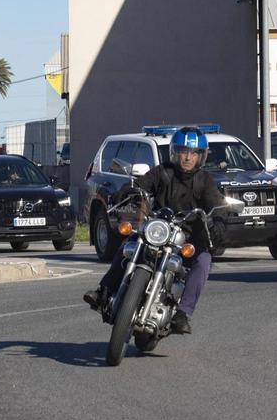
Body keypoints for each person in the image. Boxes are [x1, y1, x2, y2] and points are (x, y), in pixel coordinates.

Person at [83, 126, 228, 335]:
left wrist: (219, 221)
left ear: (201, 156)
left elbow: (217, 204)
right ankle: (103, 292)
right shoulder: (163, 172)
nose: (188, 157)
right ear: (175, 152)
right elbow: (142, 184)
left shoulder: (204, 180)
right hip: (158, 228)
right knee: (129, 245)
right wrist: (128, 192)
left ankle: (183, 313)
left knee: (203, 261)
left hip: (187, 236)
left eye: (193, 153)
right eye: (183, 151)